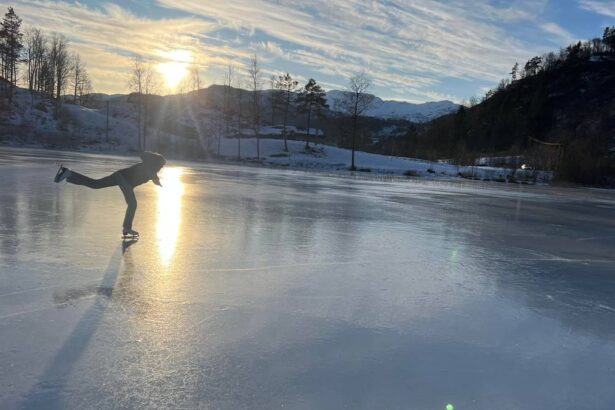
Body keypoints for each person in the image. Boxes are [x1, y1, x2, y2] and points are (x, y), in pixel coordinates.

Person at [53, 151, 166, 238]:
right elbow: (144, 157)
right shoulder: (147, 166)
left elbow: (154, 178)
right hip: (124, 179)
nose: (161, 168)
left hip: (120, 177)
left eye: (162, 166)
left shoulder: (152, 171)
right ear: (155, 162)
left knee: (95, 184)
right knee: (132, 204)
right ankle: (127, 228)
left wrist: (158, 182)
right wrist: (153, 158)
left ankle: (69, 174)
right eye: (160, 165)